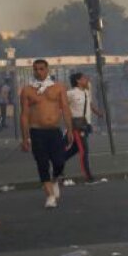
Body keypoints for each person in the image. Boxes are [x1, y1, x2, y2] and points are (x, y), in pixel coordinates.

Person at [19, 59, 73, 209]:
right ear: (33, 70)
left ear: (47, 69)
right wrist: (25, 138)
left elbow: (66, 110)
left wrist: (69, 129)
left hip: (54, 130)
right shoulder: (27, 90)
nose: (39, 72)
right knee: (42, 163)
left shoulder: (58, 88)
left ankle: (55, 179)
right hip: (36, 131)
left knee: (59, 161)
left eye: (42, 69)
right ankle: (49, 196)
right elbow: (24, 115)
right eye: (36, 69)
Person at [64, 72, 104, 182]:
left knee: (75, 149)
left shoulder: (86, 92)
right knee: (84, 150)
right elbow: (63, 106)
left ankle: (58, 161)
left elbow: (89, 105)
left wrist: (98, 113)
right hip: (76, 126)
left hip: (85, 125)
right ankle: (88, 177)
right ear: (78, 81)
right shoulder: (70, 93)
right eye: (84, 78)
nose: (86, 79)